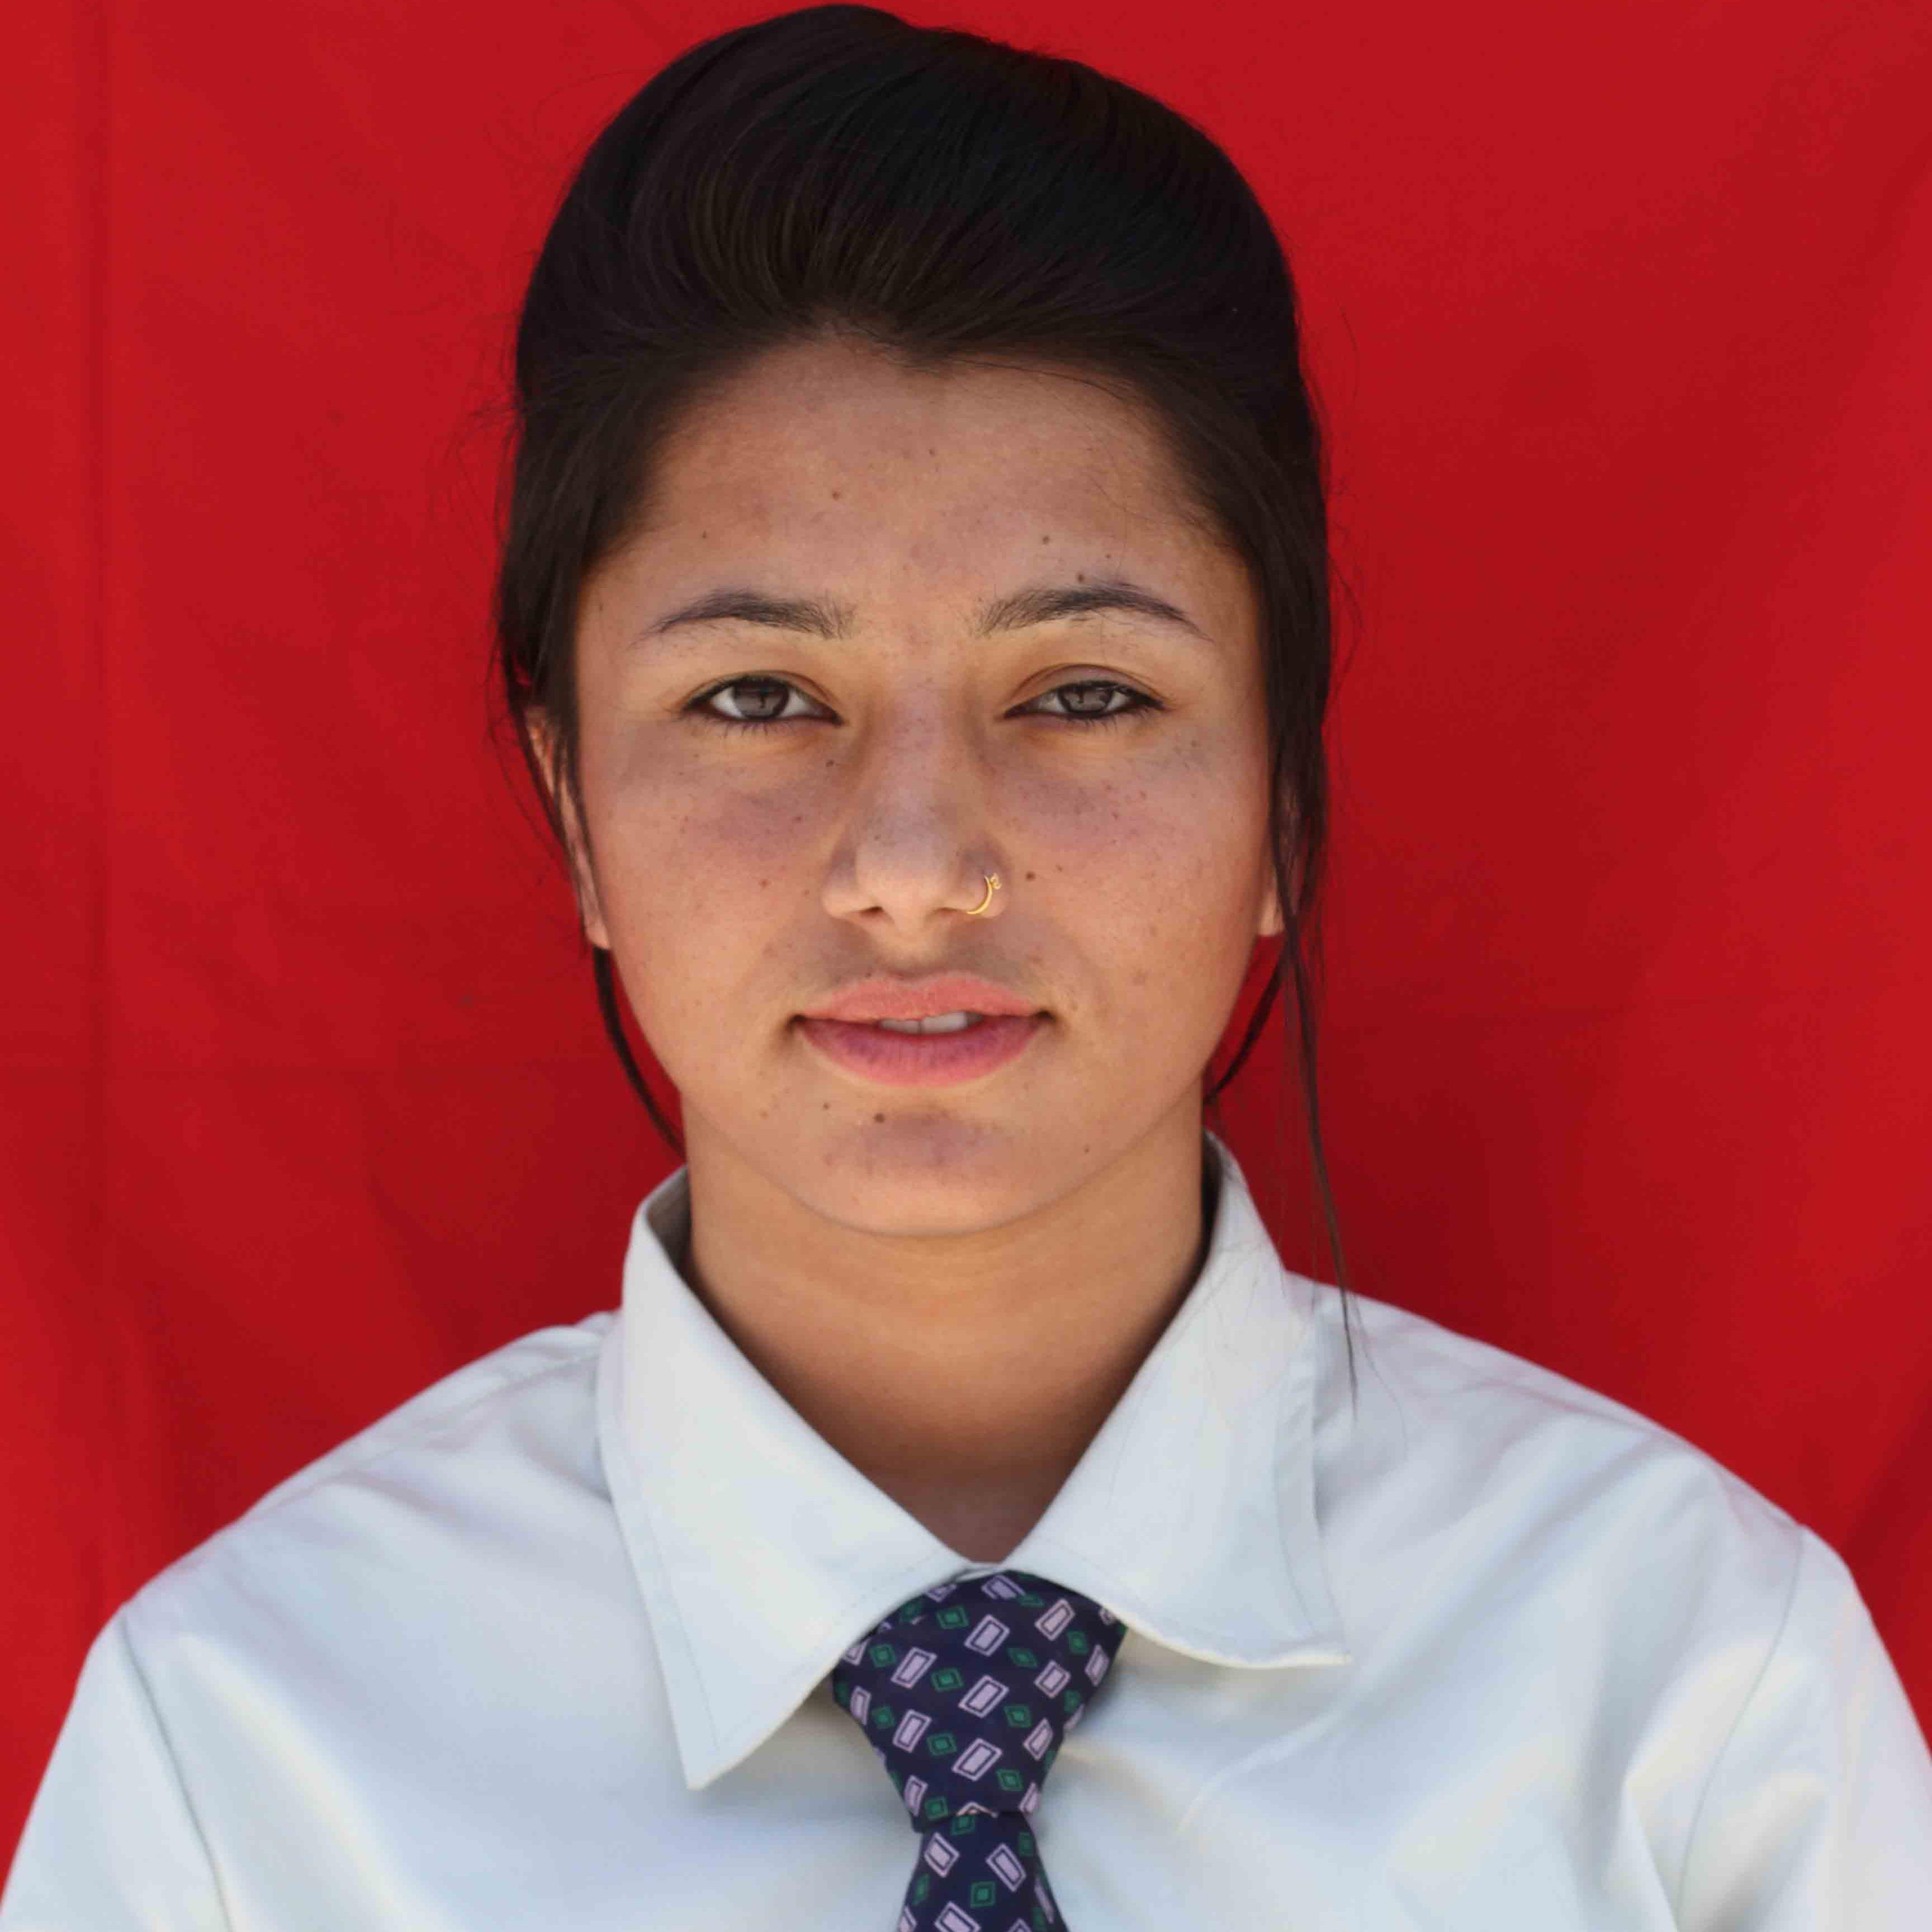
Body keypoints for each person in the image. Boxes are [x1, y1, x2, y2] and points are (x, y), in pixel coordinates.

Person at [5, 5, 1929, 1926]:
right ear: (575, 803)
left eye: (1085, 694)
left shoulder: (1695, 1702)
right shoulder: (246, 1767)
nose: (917, 873)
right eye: (756, 697)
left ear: (1283, 792)